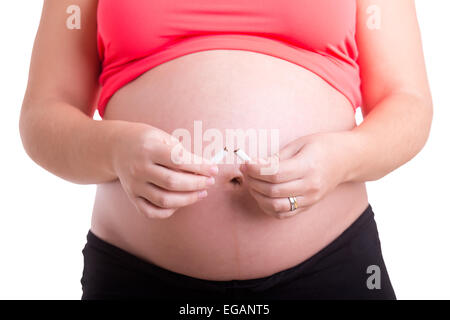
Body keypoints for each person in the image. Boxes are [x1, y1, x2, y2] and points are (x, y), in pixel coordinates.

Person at [19, 0, 432, 300]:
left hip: (330, 269)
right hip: (138, 277)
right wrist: (114, 150)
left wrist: (341, 160)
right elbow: (43, 116)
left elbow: (407, 102)